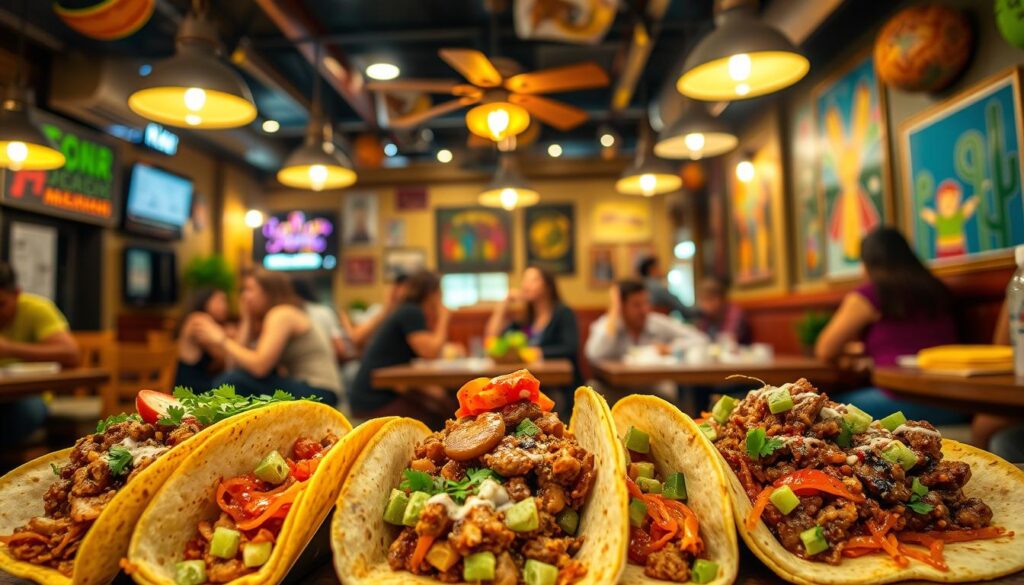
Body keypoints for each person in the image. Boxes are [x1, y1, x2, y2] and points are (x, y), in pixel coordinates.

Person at [815, 227, 962, 423]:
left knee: (825, 410)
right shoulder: (936, 288)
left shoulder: (872, 292)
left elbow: (825, 349)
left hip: (904, 398)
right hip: (956, 401)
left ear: (867, 263)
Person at [192, 269, 340, 405]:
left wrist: (221, 340)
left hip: (321, 393)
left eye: (250, 289)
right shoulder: (274, 316)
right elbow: (234, 365)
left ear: (268, 292)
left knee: (232, 381)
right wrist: (247, 319)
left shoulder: (281, 314)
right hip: (309, 388)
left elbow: (259, 367)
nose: (244, 296)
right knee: (232, 378)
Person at [348, 270, 451, 421]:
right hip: (373, 400)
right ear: (433, 293)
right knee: (436, 417)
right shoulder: (411, 312)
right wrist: (444, 318)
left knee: (441, 406)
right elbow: (431, 353)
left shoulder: (408, 311)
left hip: (376, 393)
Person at [0, 262, 80, 445]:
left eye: (1, 304)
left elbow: (71, 354)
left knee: (21, 412)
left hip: (30, 395)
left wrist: (9, 349)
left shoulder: (36, 308)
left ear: (17, 294)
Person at [486, 266, 581, 389]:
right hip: (528, 382)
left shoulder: (563, 313)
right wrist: (504, 303)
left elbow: (570, 347)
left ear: (548, 285)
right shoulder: (526, 318)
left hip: (559, 384)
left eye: (533, 280)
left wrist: (539, 352)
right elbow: (493, 337)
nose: (526, 285)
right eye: (525, 280)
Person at [586, 279, 708, 362]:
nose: (644, 310)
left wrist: (671, 348)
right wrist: (614, 309)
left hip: (655, 388)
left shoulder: (656, 322)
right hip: (617, 388)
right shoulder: (609, 324)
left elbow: (700, 338)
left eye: (646, 303)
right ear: (622, 307)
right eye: (636, 305)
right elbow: (594, 354)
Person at [174, 287, 231, 391]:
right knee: (235, 381)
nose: (224, 306)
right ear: (205, 301)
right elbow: (224, 358)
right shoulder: (198, 320)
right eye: (219, 301)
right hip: (189, 387)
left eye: (225, 301)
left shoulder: (210, 323)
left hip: (201, 382)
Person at [694, 276, 751, 344]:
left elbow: (728, 339)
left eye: (705, 299)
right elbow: (699, 336)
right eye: (701, 300)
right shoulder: (706, 316)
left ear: (717, 299)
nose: (701, 305)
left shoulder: (734, 313)